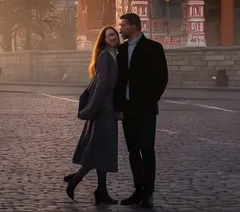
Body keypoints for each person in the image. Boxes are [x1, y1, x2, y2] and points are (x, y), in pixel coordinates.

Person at [114, 12, 168, 209]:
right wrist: (118, 107)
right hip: (127, 109)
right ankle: (138, 190)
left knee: (147, 150)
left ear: (134, 26)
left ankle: (148, 193)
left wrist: (151, 99)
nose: (120, 28)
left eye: (123, 25)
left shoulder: (153, 48)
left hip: (146, 109)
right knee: (133, 152)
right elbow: (118, 82)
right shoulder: (120, 50)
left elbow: (162, 77)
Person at [66, 26, 121, 204]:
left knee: (101, 150)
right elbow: (101, 85)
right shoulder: (105, 56)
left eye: (114, 34)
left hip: (107, 108)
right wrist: (91, 109)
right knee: (100, 150)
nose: (113, 37)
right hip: (103, 110)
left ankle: (100, 190)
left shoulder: (114, 54)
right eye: (109, 35)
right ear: (104, 39)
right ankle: (78, 180)